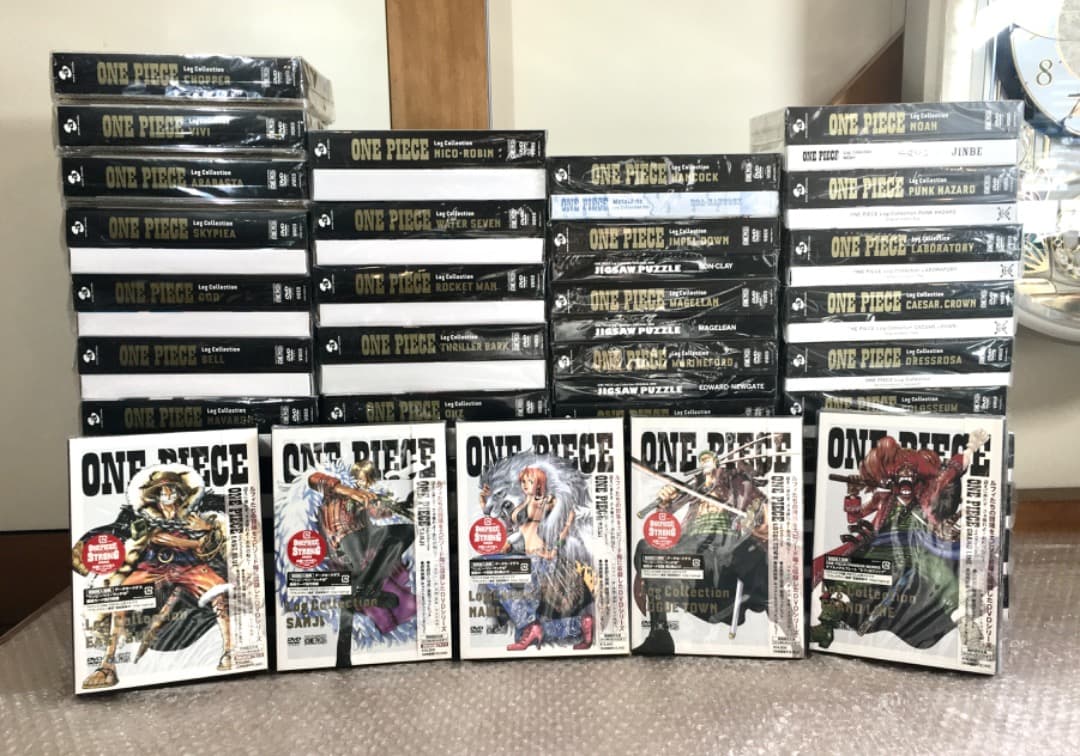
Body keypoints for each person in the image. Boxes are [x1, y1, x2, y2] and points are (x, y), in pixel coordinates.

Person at [72, 468, 231, 690]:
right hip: (153, 566)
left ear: (180, 493)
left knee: (219, 591)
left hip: (189, 566)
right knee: (121, 596)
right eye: (163, 490)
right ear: (155, 495)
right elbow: (155, 537)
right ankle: (108, 665)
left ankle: (230, 651)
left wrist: (206, 529)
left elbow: (212, 543)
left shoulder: (196, 515)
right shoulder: (143, 518)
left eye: (172, 489)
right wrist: (200, 540)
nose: (168, 494)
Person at [307, 461, 416, 667]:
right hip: (341, 542)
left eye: (367, 482)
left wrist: (390, 508)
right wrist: (347, 490)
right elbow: (313, 479)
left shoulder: (362, 497)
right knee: (351, 591)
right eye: (360, 480)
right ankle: (366, 592)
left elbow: (374, 516)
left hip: (362, 545)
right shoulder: (336, 492)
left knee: (405, 531)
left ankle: (365, 594)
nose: (362, 485)